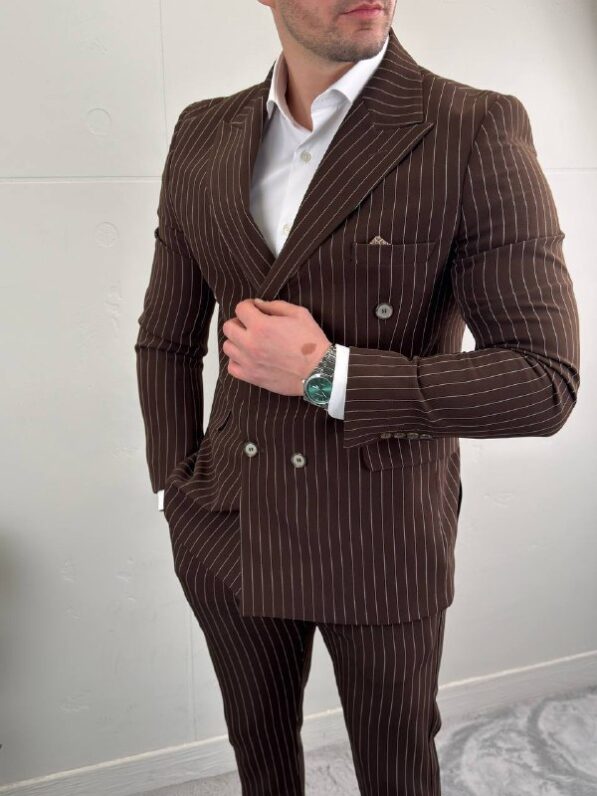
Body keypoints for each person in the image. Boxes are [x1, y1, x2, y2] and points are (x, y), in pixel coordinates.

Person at [134, 1, 580, 793]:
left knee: (396, 767)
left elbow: (542, 381)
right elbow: (167, 338)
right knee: (259, 753)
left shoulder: (471, 126)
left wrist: (327, 373)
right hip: (227, 521)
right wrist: (177, 489)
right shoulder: (202, 131)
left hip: (379, 530)